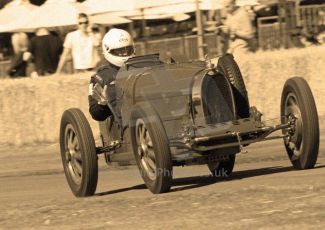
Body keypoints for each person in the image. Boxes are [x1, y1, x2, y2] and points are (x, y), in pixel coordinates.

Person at [88, 28, 135, 121]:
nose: (125, 53)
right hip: (123, 122)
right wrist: (103, 104)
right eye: (120, 51)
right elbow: (95, 114)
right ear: (107, 50)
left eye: (128, 49)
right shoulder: (100, 77)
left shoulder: (141, 67)